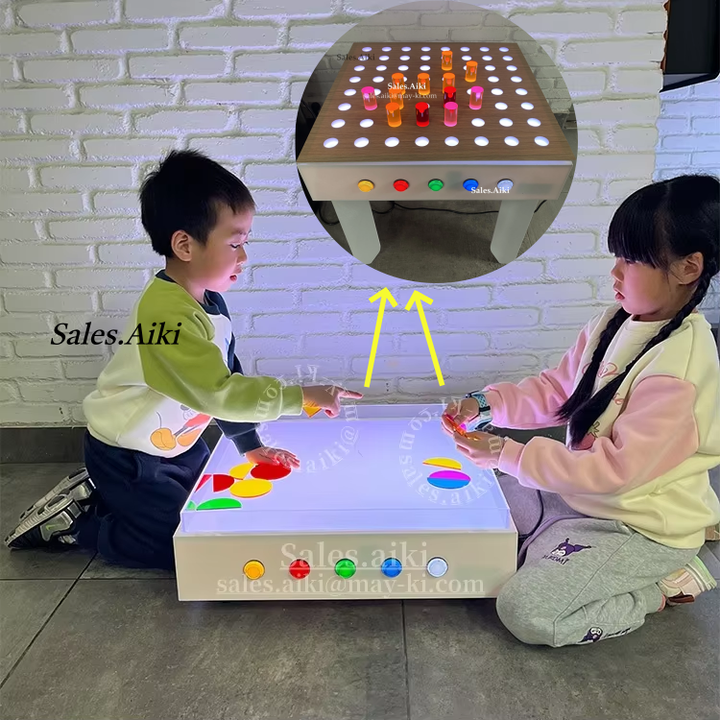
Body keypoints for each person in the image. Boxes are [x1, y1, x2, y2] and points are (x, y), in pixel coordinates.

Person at [5, 149, 362, 570]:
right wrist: (300, 396)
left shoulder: (209, 303)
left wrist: (249, 445)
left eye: (245, 243)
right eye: (235, 243)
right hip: (128, 453)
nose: (244, 257)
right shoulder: (166, 315)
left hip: (178, 443)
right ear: (184, 245)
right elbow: (219, 392)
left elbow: (225, 376)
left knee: (202, 512)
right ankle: (77, 524)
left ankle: (112, 498)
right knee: (177, 548)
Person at [442, 174, 720, 647]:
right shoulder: (613, 321)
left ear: (687, 268)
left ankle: (659, 587)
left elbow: (617, 472)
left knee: (527, 611)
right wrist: (486, 404)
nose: (615, 273)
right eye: (617, 257)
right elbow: (560, 391)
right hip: (578, 499)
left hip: (636, 527)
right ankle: (550, 548)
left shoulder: (680, 370)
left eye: (631, 260)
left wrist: (507, 453)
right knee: (476, 506)